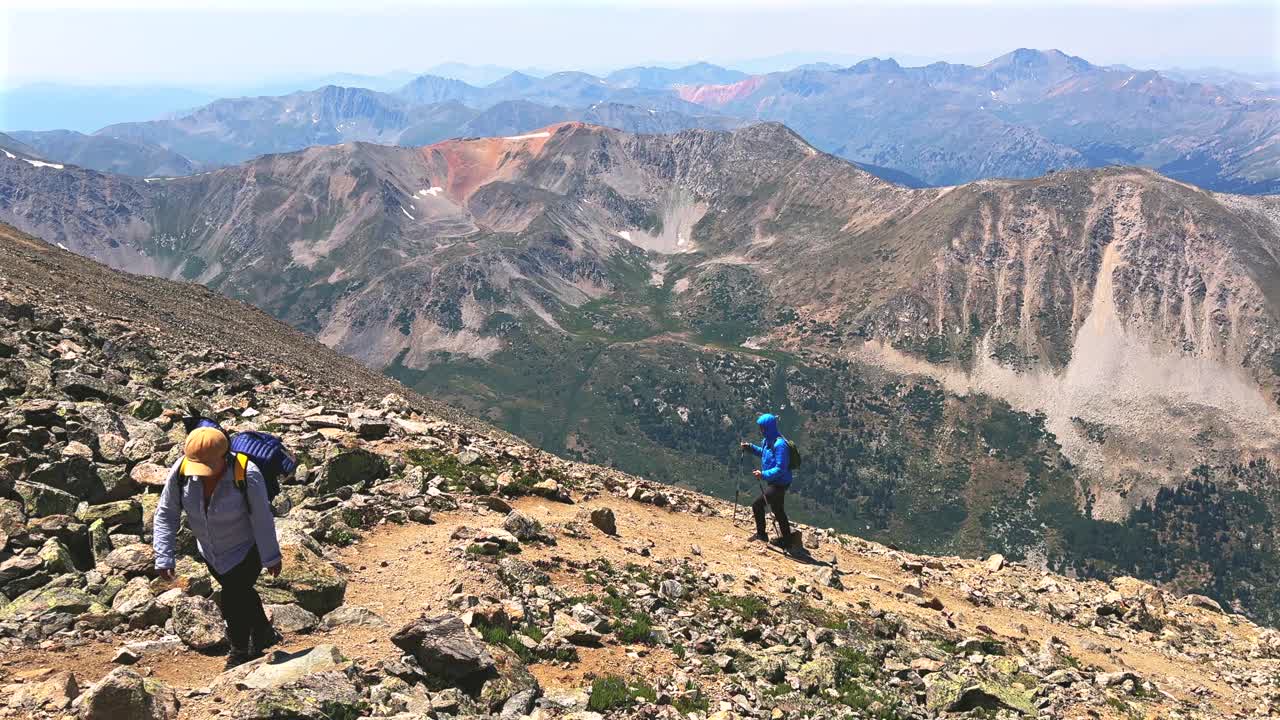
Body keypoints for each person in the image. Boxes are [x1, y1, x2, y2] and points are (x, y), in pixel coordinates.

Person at [154, 426, 284, 668]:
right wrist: (164, 556)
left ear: (225, 458)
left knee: (234, 596)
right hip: (210, 551)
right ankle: (264, 631)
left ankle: (239, 652)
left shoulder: (247, 474)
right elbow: (166, 513)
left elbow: (261, 518)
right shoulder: (181, 471)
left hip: (247, 548)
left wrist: (270, 557)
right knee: (241, 592)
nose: (202, 475)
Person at [740, 413, 792, 546]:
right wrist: (750, 448)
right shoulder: (767, 441)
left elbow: (781, 468)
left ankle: (762, 535)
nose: (761, 430)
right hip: (775, 482)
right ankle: (787, 540)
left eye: (762, 427)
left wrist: (763, 474)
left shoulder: (780, 445)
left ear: (769, 427)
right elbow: (764, 454)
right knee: (778, 510)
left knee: (757, 505)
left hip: (779, 483)